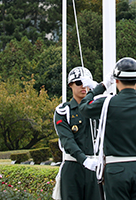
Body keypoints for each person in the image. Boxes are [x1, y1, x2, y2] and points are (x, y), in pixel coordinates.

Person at [79, 57, 136, 200]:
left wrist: (101, 86)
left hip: (116, 169)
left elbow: (84, 107)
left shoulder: (107, 103)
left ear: (115, 80)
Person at [53, 66, 100, 200]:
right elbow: (67, 140)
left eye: (87, 83)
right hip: (73, 166)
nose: (83, 87)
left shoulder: (99, 108)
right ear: (70, 85)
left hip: (94, 166)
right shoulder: (64, 111)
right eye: (79, 83)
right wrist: (83, 160)